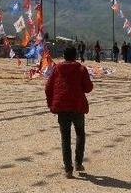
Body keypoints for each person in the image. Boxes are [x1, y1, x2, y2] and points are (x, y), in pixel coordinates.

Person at [45, 46, 93, 178]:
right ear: (75, 55)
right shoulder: (81, 69)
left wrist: (51, 103)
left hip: (62, 108)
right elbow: (88, 88)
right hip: (77, 106)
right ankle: (78, 162)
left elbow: (48, 87)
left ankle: (68, 169)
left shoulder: (57, 68)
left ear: (64, 56)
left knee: (65, 138)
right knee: (80, 134)